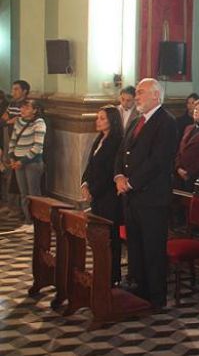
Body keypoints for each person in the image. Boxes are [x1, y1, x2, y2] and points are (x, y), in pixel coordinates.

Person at [114, 78, 178, 309]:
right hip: (132, 198)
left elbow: (158, 161)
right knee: (136, 246)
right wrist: (118, 176)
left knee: (152, 248)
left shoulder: (166, 122)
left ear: (156, 96)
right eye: (137, 92)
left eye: (141, 92)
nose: (137, 96)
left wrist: (131, 183)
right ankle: (138, 287)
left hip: (152, 198)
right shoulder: (136, 121)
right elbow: (122, 152)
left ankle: (155, 296)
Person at [81, 105, 124, 283]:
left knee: (110, 237)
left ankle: (112, 275)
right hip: (98, 195)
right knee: (98, 237)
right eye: (97, 117)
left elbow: (110, 172)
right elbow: (91, 165)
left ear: (112, 121)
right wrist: (85, 183)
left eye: (102, 118)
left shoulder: (117, 141)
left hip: (109, 198)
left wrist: (94, 190)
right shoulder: (100, 138)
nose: (97, 121)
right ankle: (101, 270)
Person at [8, 98, 46, 229]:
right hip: (18, 162)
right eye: (22, 107)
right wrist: (11, 157)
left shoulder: (39, 123)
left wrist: (22, 161)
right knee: (24, 194)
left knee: (33, 194)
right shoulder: (18, 121)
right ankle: (28, 221)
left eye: (26, 108)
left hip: (32, 163)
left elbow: (37, 146)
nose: (22, 110)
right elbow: (13, 140)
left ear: (34, 110)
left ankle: (38, 223)